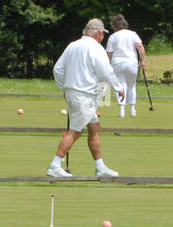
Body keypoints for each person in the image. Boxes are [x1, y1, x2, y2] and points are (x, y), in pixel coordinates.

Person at [48, 18, 125, 178]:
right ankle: (55, 165)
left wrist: (65, 87)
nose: (103, 37)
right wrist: (118, 88)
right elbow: (105, 72)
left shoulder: (73, 45)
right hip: (84, 96)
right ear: (97, 33)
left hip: (75, 94)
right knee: (75, 131)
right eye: (102, 34)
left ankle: (100, 167)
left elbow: (57, 69)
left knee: (94, 128)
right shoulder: (96, 49)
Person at [105, 14, 146, 118]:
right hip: (131, 62)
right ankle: (132, 110)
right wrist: (143, 61)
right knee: (131, 86)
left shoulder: (113, 36)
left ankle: (122, 110)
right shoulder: (133, 34)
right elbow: (140, 46)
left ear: (114, 26)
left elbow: (109, 53)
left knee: (120, 86)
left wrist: (107, 64)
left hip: (117, 62)